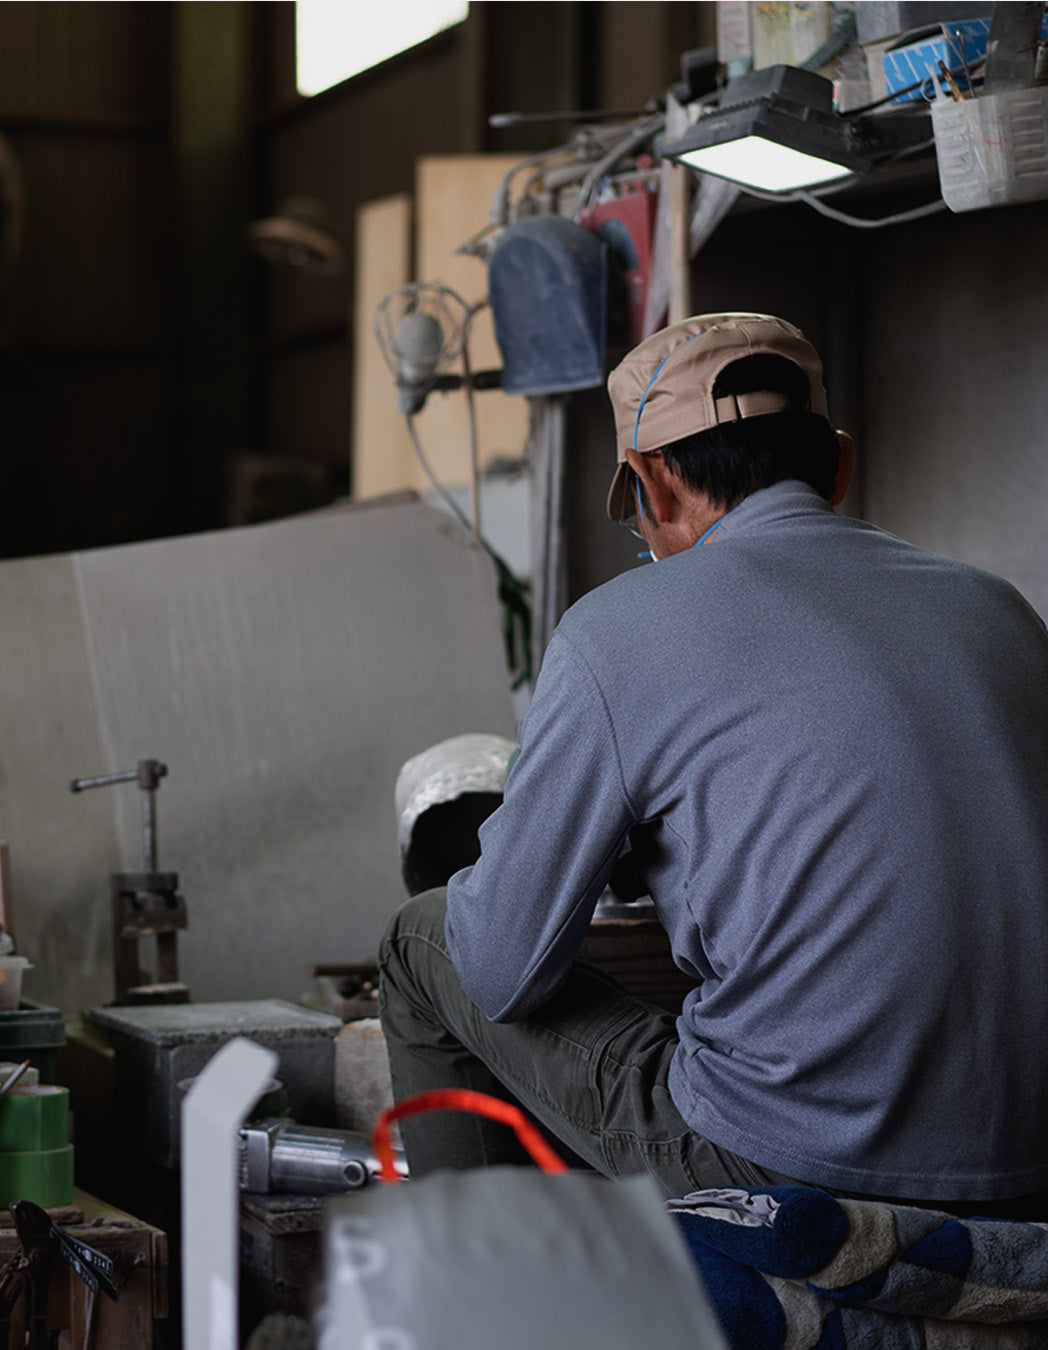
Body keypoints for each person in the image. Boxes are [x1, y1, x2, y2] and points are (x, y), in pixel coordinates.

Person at [378, 311, 1048, 1216]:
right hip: (1027, 1155)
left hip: (796, 1159)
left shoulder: (620, 627)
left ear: (650, 479)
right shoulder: (1000, 609)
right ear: (838, 466)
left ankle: (487, 1298)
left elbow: (502, 969)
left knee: (424, 941)